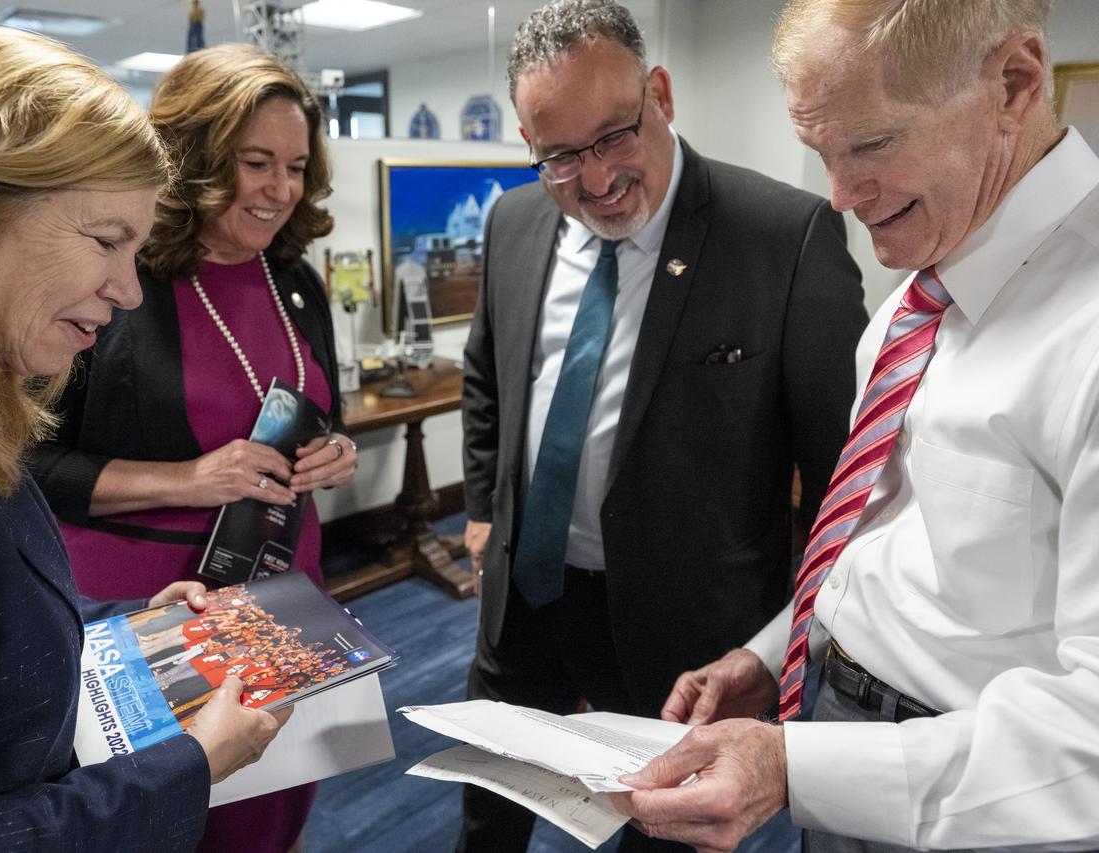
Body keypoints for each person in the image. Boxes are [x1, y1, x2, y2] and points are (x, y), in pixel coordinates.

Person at [613, 1, 1099, 851]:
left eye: (871, 145)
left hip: (986, 809)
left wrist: (799, 770)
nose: (838, 196)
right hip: (829, 737)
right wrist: (772, 658)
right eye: (822, 154)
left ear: (1016, 82)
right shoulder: (917, 298)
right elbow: (879, 540)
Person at [0, 27, 291, 852]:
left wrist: (117, 629)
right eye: (107, 240)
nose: (126, 290)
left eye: (138, 249)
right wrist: (193, 763)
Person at [459, 1, 867, 850]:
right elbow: (487, 377)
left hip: (682, 638)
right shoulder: (513, 221)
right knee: (487, 812)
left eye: (614, 135)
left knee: (662, 835)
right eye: (562, 156)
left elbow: (843, 490)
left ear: (662, 95)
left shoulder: (785, 239)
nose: (598, 179)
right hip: (524, 597)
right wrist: (482, 509)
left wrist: (789, 642)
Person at [29, 43, 354, 853]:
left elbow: (325, 411)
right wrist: (188, 476)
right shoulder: (116, 281)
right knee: (168, 819)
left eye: (294, 166)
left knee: (272, 812)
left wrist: (335, 454)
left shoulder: (297, 280)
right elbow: (24, 463)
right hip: (151, 599)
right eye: (254, 162)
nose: (279, 190)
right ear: (196, 157)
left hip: (285, 593)